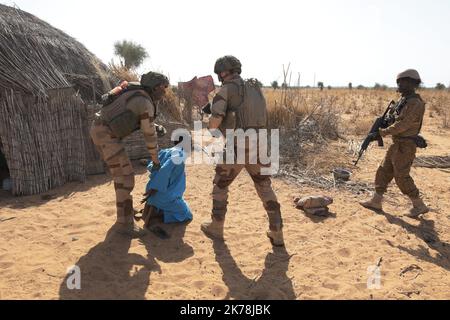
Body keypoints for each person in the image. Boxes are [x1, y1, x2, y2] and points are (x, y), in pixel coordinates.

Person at [200, 55, 285, 247]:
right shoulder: (255, 89)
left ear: (223, 72)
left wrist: (209, 121)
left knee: (220, 185)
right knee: (264, 186)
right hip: (261, 142)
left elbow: (214, 123)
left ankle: (216, 226)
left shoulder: (226, 89)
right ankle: (277, 232)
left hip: (238, 144)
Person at [90, 71, 169, 237]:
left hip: (100, 131)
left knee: (123, 176)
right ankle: (124, 224)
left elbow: (141, 121)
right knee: (125, 178)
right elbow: (149, 136)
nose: (165, 90)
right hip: (106, 135)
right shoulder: (145, 101)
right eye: (163, 87)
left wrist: (155, 128)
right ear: (154, 87)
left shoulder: (137, 94)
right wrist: (155, 160)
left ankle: (125, 211)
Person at [360, 69, 429, 218]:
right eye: (398, 81)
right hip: (397, 143)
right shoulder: (403, 101)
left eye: (403, 81)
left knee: (401, 176)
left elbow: (403, 125)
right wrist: (382, 124)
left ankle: (419, 205)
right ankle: (376, 201)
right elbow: (394, 121)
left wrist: (381, 132)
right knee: (383, 170)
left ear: (413, 84)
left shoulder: (415, 103)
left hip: (406, 146)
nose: (400, 84)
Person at [141, 136, 193, 227]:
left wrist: (153, 187)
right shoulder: (179, 154)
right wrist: (155, 188)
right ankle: (158, 216)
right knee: (186, 214)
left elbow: (151, 166)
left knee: (178, 201)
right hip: (163, 195)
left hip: (152, 194)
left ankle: (153, 208)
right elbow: (165, 170)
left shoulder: (164, 151)